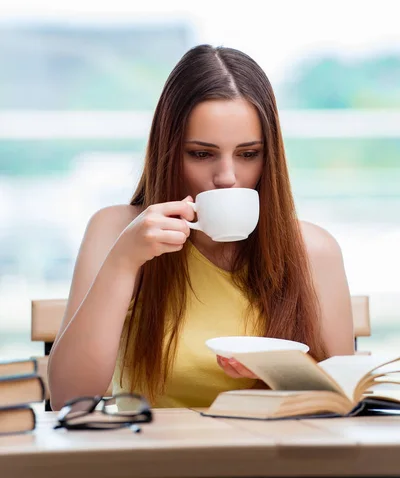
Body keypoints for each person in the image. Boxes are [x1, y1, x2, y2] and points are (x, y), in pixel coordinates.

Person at [48, 44, 354, 411]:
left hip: (272, 461)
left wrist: (281, 373)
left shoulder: (314, 250)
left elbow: (346, 406)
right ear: (169, 152)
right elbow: (70, 398)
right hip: (150, 461)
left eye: (248, 154)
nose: (227, 178)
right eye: (202, 154)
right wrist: (124, 261)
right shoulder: (116, 231)